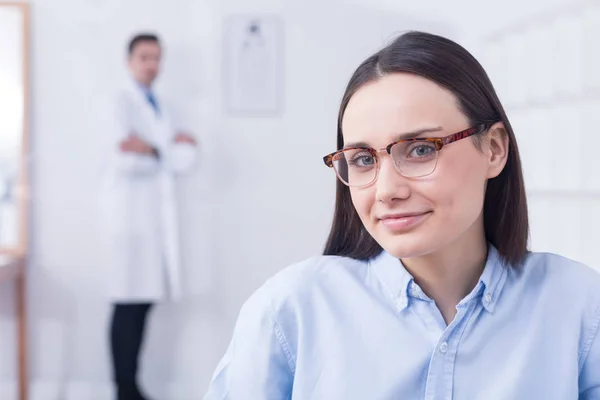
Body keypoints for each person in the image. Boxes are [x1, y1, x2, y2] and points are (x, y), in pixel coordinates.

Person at [203, 31, 600, 399]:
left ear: (493, 149)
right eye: (361, 159)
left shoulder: (578, 305)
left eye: (421, 149)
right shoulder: (289, 311)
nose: (387, 190)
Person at [98, 33, 197, 400]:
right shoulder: (117, 102)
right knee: (126, 303)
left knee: (142, 303)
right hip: (128, 221)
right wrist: (166, 151)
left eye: (156, 57)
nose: (151, 64)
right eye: (144, 57)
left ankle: (131, 386)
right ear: (129, 61)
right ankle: (124, 388)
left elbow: (188, 158)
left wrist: (152, 149)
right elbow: (124, 159)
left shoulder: (163, 108)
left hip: (153, 224)